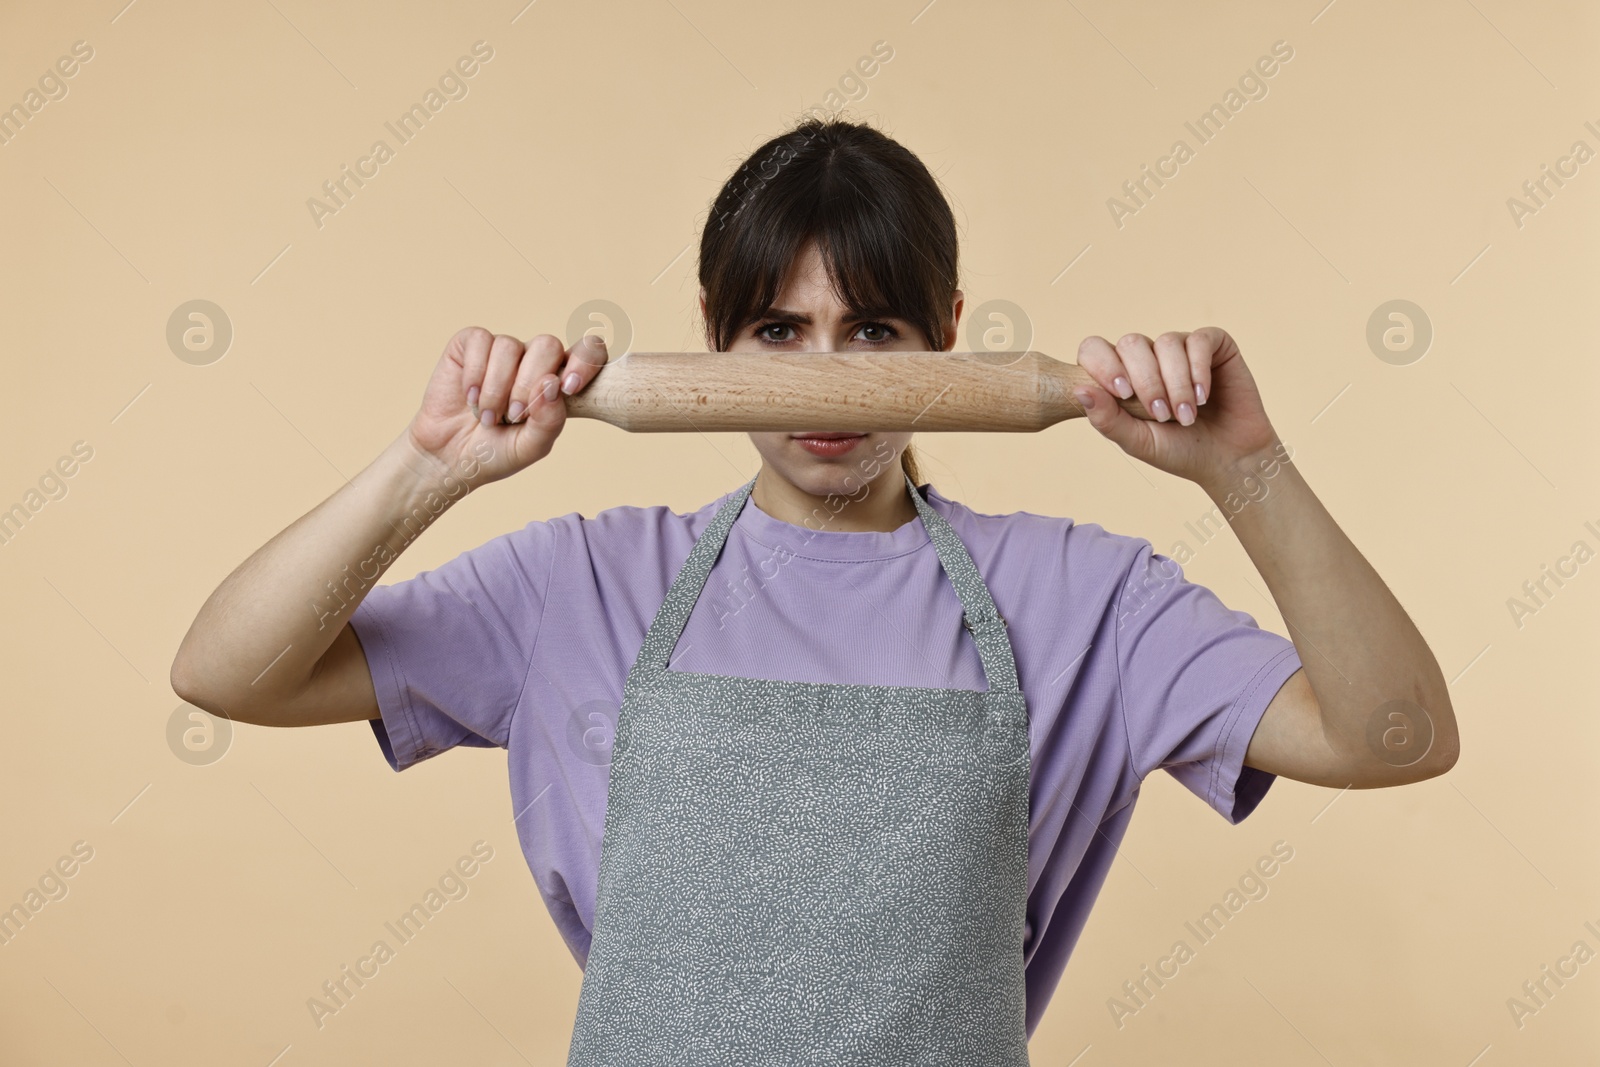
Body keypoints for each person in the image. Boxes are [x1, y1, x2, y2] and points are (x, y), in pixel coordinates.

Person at [171, 118, 1460, 1063]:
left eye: (876, 334)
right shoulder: (585, 579)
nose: (826, 381)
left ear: (948, 333)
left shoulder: (1081, 596)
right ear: (714, 336)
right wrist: (424, 469)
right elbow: (226, 672)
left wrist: (1248, 471)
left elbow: (1395, 735)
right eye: (779, 334)